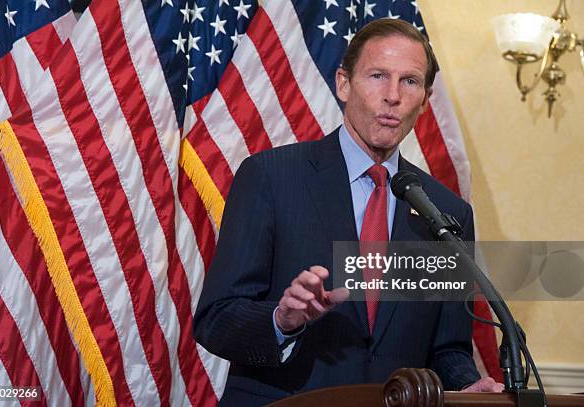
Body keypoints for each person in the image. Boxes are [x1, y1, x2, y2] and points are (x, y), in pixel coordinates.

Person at [193, 18, 503, 406]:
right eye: (377, 75)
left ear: (424, 100)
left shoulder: (445, 211)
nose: (393, 96)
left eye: (409, 81)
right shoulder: (270, 178)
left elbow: (448, 348)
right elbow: (216, 319)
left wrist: (467, 384)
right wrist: (281, 321)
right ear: (343, 83)